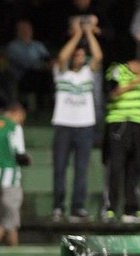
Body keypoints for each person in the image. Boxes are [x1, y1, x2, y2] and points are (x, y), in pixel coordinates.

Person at [50, 18, 103, 223]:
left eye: (82, 54)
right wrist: (77, 35)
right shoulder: (61, 73)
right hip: (63, 125)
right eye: (77, 54)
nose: (79, 57)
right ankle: (57, 206)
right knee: (60, 168)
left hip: (85, 126)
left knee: (81, 169)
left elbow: (98, 56)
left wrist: (88, 32)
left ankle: (78, 207)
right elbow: (62, 56)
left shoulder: (87, 74)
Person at [101, 59, 140, 223]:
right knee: (116, 167)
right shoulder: (117, 70)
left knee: (136, 167)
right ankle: (110, 208)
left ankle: (131, 209)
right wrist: (136, 82)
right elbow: (112, 93)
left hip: (139, 124)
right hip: (119, 123)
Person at [0, 103, 30, 247]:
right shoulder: (13, 128)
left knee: (1, 219)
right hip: (10, 181)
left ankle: (11, 250)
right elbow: (20, 154)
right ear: (16, 113)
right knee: (9, 221)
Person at [6, 20, 52, 111]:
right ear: (17, 31)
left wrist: (47, 65)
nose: (26, 31)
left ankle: (49, 105)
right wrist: (42, 66)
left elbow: (47, 58)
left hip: (41, 74)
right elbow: (25, 64)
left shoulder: (38, 45)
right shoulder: (13, 46)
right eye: (23, 29)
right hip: (22, 77)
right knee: (35, 75)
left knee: (50, 75)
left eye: (28, 29)